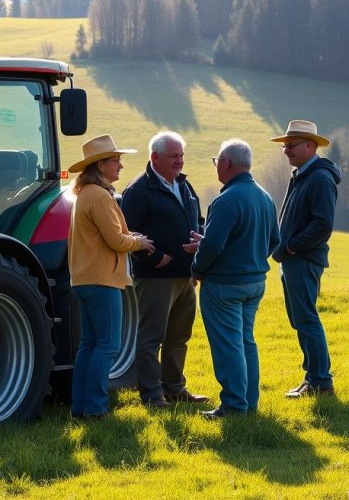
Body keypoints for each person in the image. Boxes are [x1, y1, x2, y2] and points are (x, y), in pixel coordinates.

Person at [68, 134, 155, 419]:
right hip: (103, 280)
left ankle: (81, 407)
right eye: (115, 160)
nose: (120, 166)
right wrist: (139, 242)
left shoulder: (86, 194)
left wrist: (129, 237)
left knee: (90, 345)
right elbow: (116, 241)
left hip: (85, 279)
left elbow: (110, 236)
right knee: (107, 345)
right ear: (100, 165)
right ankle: (95, 408)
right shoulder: (99, 196)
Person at [191, 139, 279, 419]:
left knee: (228, 344)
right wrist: (250, 259)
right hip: (255, 282)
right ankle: (248, 402)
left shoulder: (226, 200)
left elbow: (214, 246)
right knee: (245, 341)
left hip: (224, 285)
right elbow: (274, 240)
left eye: (217, 161)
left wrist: (197, 267)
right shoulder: (265, 197)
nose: (217, 167)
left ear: (226, 164)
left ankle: (233, 405)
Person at [121, 131, 209, 409]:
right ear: (154, 157)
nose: (179, 161)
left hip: (186, 276)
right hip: (156, 278)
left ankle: (174, 389)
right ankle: (151, 395)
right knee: (151, 338)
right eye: (174, 156)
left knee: (179, 336)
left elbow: (200, 219)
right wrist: (155, 257)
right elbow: (128, 233)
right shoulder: (138, 191)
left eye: (181, 156)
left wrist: (201, 242)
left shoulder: (184, 185)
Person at [269, 120, 341, 398]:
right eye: (285, 145)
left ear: (310, 146)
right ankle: (313, 378)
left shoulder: (319, 178)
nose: (286, 150)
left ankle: (321, 381)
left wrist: (290, 248)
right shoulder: (304, 174)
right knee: (300, 318)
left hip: (302, 259)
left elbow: (322, 225)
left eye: (291, 145)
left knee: (306, 318)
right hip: (294, 259)